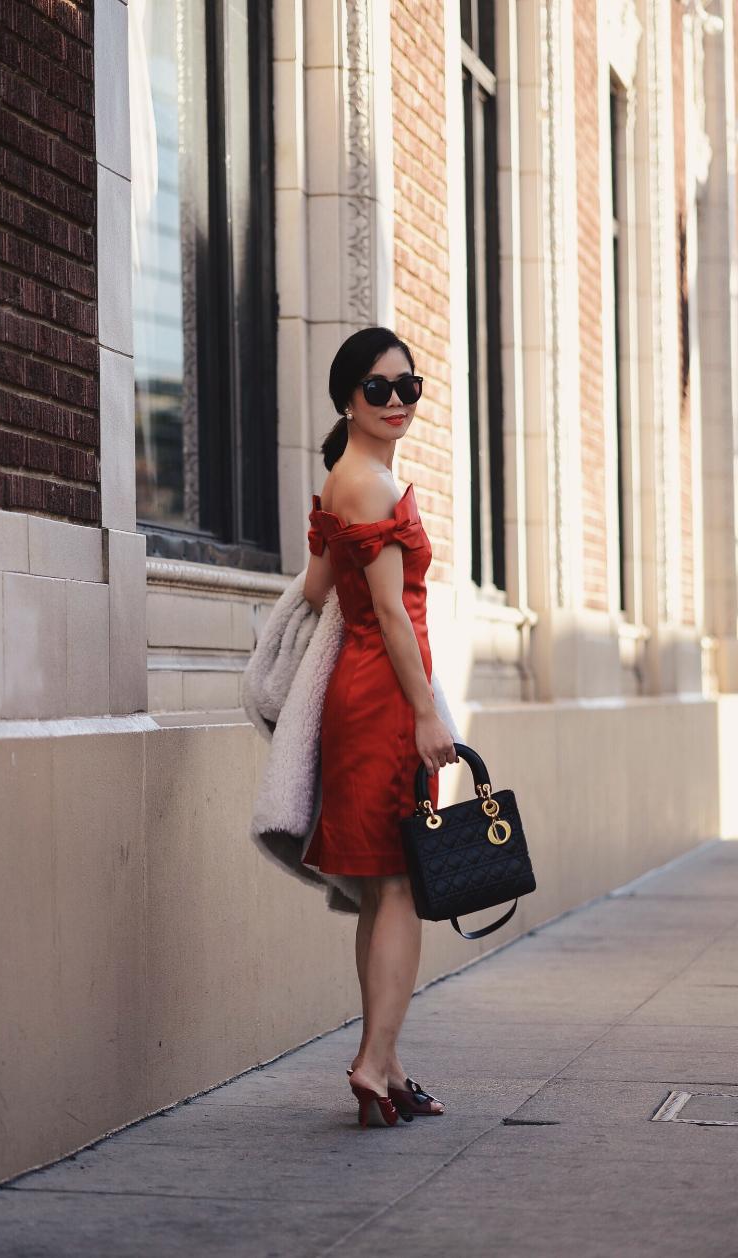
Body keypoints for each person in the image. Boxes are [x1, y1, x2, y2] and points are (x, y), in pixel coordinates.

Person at [303, 326, 459, 1128]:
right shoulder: (367, 482)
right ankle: (372, 1061)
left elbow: (312, 589)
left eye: (409, 387)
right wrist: (427, 712)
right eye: (378, 388)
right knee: (402, 887)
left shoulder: (346, 477)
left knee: (381, 893)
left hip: (363, 696)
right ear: (347, 398)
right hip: (388, 701)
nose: (397, 401)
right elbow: (394, 614)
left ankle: (388, 1064)